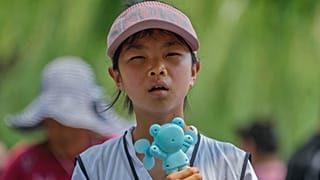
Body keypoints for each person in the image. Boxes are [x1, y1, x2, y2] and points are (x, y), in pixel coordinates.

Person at [72, 1, 258, 179]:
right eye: (138, 57)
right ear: (117, 77)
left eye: (172, 54)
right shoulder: (93, 168)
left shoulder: (232, 164)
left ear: (194, 70)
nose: (157, 68)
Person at [0, 56, 132, 180]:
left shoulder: (116, 154)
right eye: (56, 123)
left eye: (73, 124)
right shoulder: (25, 161)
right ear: (45, 121)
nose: (66, 132)